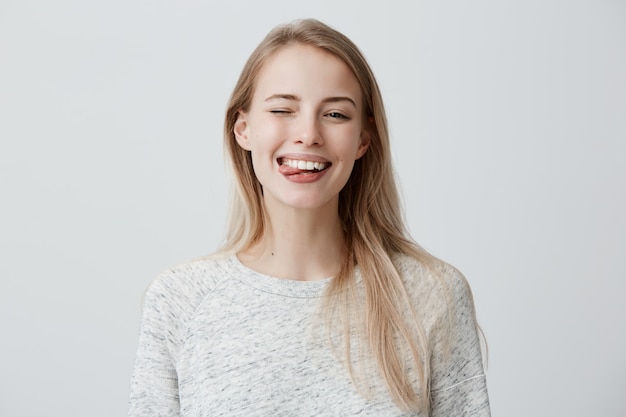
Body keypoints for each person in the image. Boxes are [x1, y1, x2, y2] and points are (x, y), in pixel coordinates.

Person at [128, 18, 490, 417]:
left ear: (363, 140)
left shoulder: (431, 294)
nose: (308, 134)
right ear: (243, 129)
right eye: (283, 109)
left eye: (335, 115)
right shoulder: (181, 299)